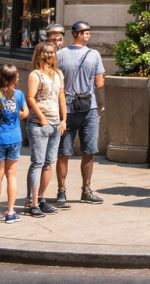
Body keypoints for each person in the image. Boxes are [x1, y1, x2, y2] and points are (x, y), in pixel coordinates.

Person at [55, 20, 105, 206]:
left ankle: (63, 191)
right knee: (87, 151)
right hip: (86, 107)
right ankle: (85, 190)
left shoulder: (60, 54)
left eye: (88, 31)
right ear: (75, 33)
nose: (87, 34)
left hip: (67, 109)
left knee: (65, 153)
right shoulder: (94, 55)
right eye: (84, 32)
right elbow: (99, 83)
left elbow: (55, 80)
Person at [25, 41, 65, 217]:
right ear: (39, 54)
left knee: (49, 163)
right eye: (46, 52)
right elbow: (30, 98)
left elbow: (61, 97)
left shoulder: (58, 74)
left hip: (56, 122)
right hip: (39, 123)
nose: (50, 55)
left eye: (52, 52)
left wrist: (64, 119)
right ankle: (32, 202)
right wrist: (42, 118)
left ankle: (41, 199)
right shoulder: (35, 74)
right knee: (38, 163)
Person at [0, 64, 27, 223]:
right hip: (15, 138)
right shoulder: (19, 95)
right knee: (11, 175)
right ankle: (10, 212)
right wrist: (15, 115)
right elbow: (26, 112)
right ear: (16, 78)